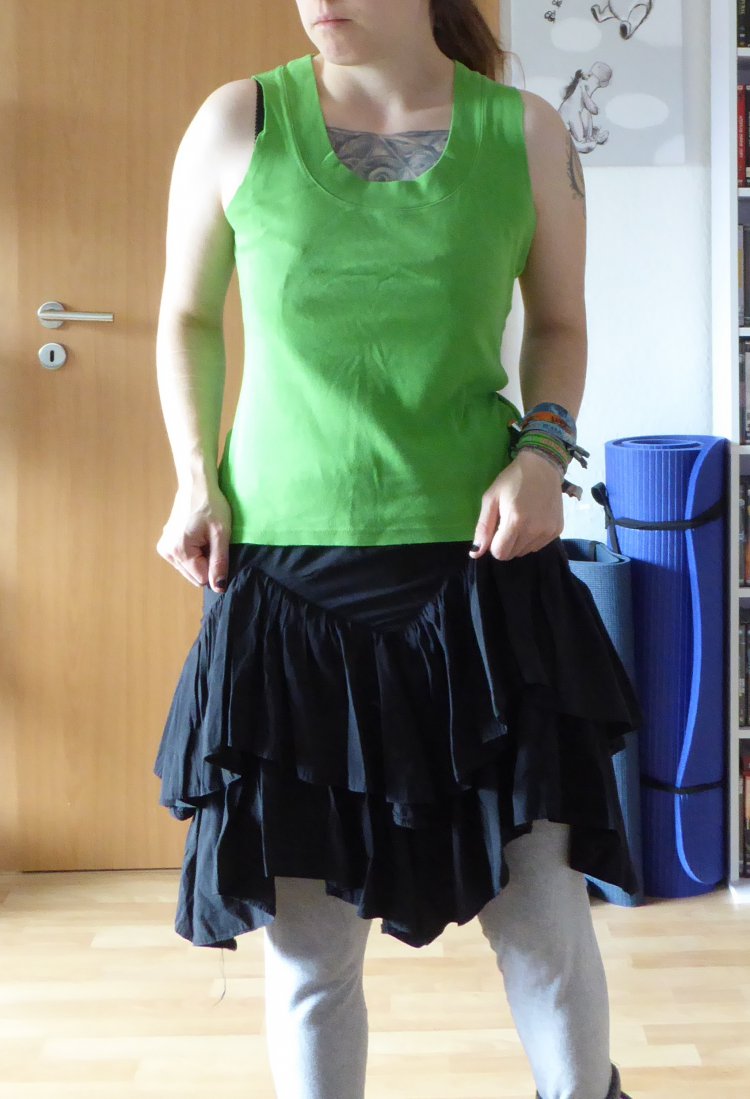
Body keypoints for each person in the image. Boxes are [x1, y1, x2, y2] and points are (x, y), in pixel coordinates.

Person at [153, 3, 641, 1098]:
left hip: (482, 575)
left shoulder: (525, 132)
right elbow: (185, 315)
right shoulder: (238, 121)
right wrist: (193, 476)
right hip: (286, 584)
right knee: (310, 951)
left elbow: (559, 322)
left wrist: (544, 453)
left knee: (544, 922)